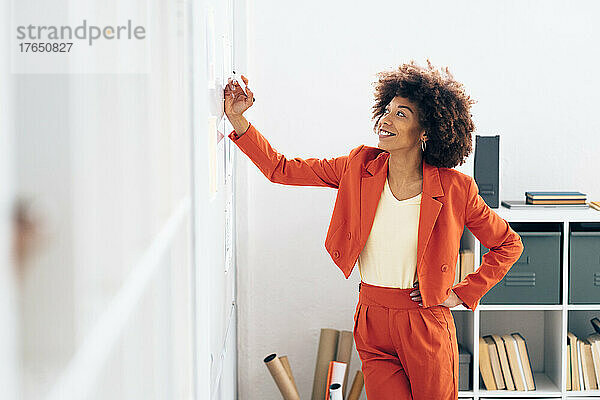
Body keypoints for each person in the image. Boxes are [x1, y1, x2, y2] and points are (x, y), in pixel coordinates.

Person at [223, 60, 524, 400]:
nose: (386, 119)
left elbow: (508, 245)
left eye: (401, 114)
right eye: (387, 110)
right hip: (372, 318)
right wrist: (237, 119)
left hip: (424, 321)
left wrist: (462, 292)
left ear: (425, 131)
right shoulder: (358, 166)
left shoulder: (456, 188)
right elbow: (282, 169)